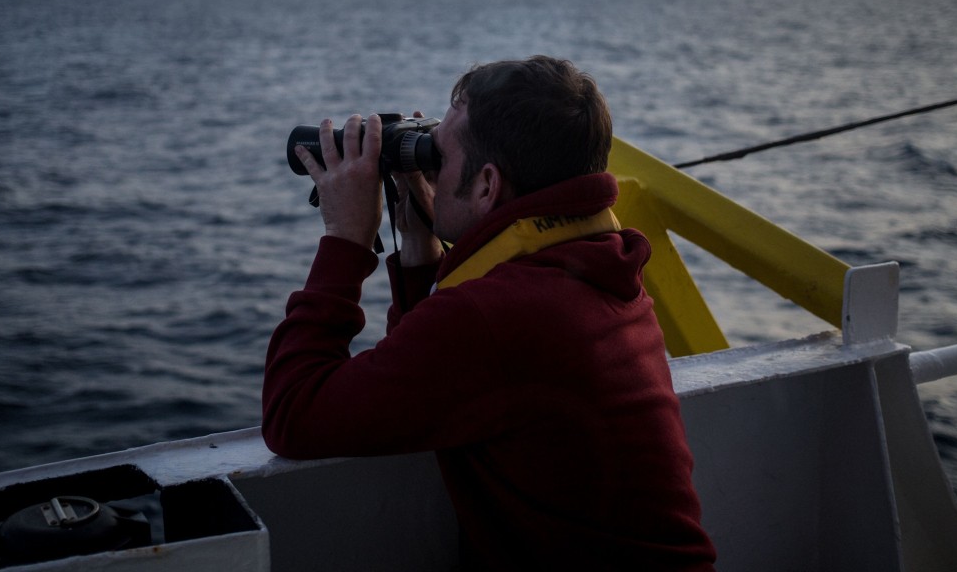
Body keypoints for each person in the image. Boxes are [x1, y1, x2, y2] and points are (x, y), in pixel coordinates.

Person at [263, 56, 717, 570]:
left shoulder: (497, 318)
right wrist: (419, 249)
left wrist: (345, 240)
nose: (428, 165)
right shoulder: (598, 269)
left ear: (486, 186)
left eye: (440, 153)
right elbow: (438, 382)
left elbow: (293, 415)